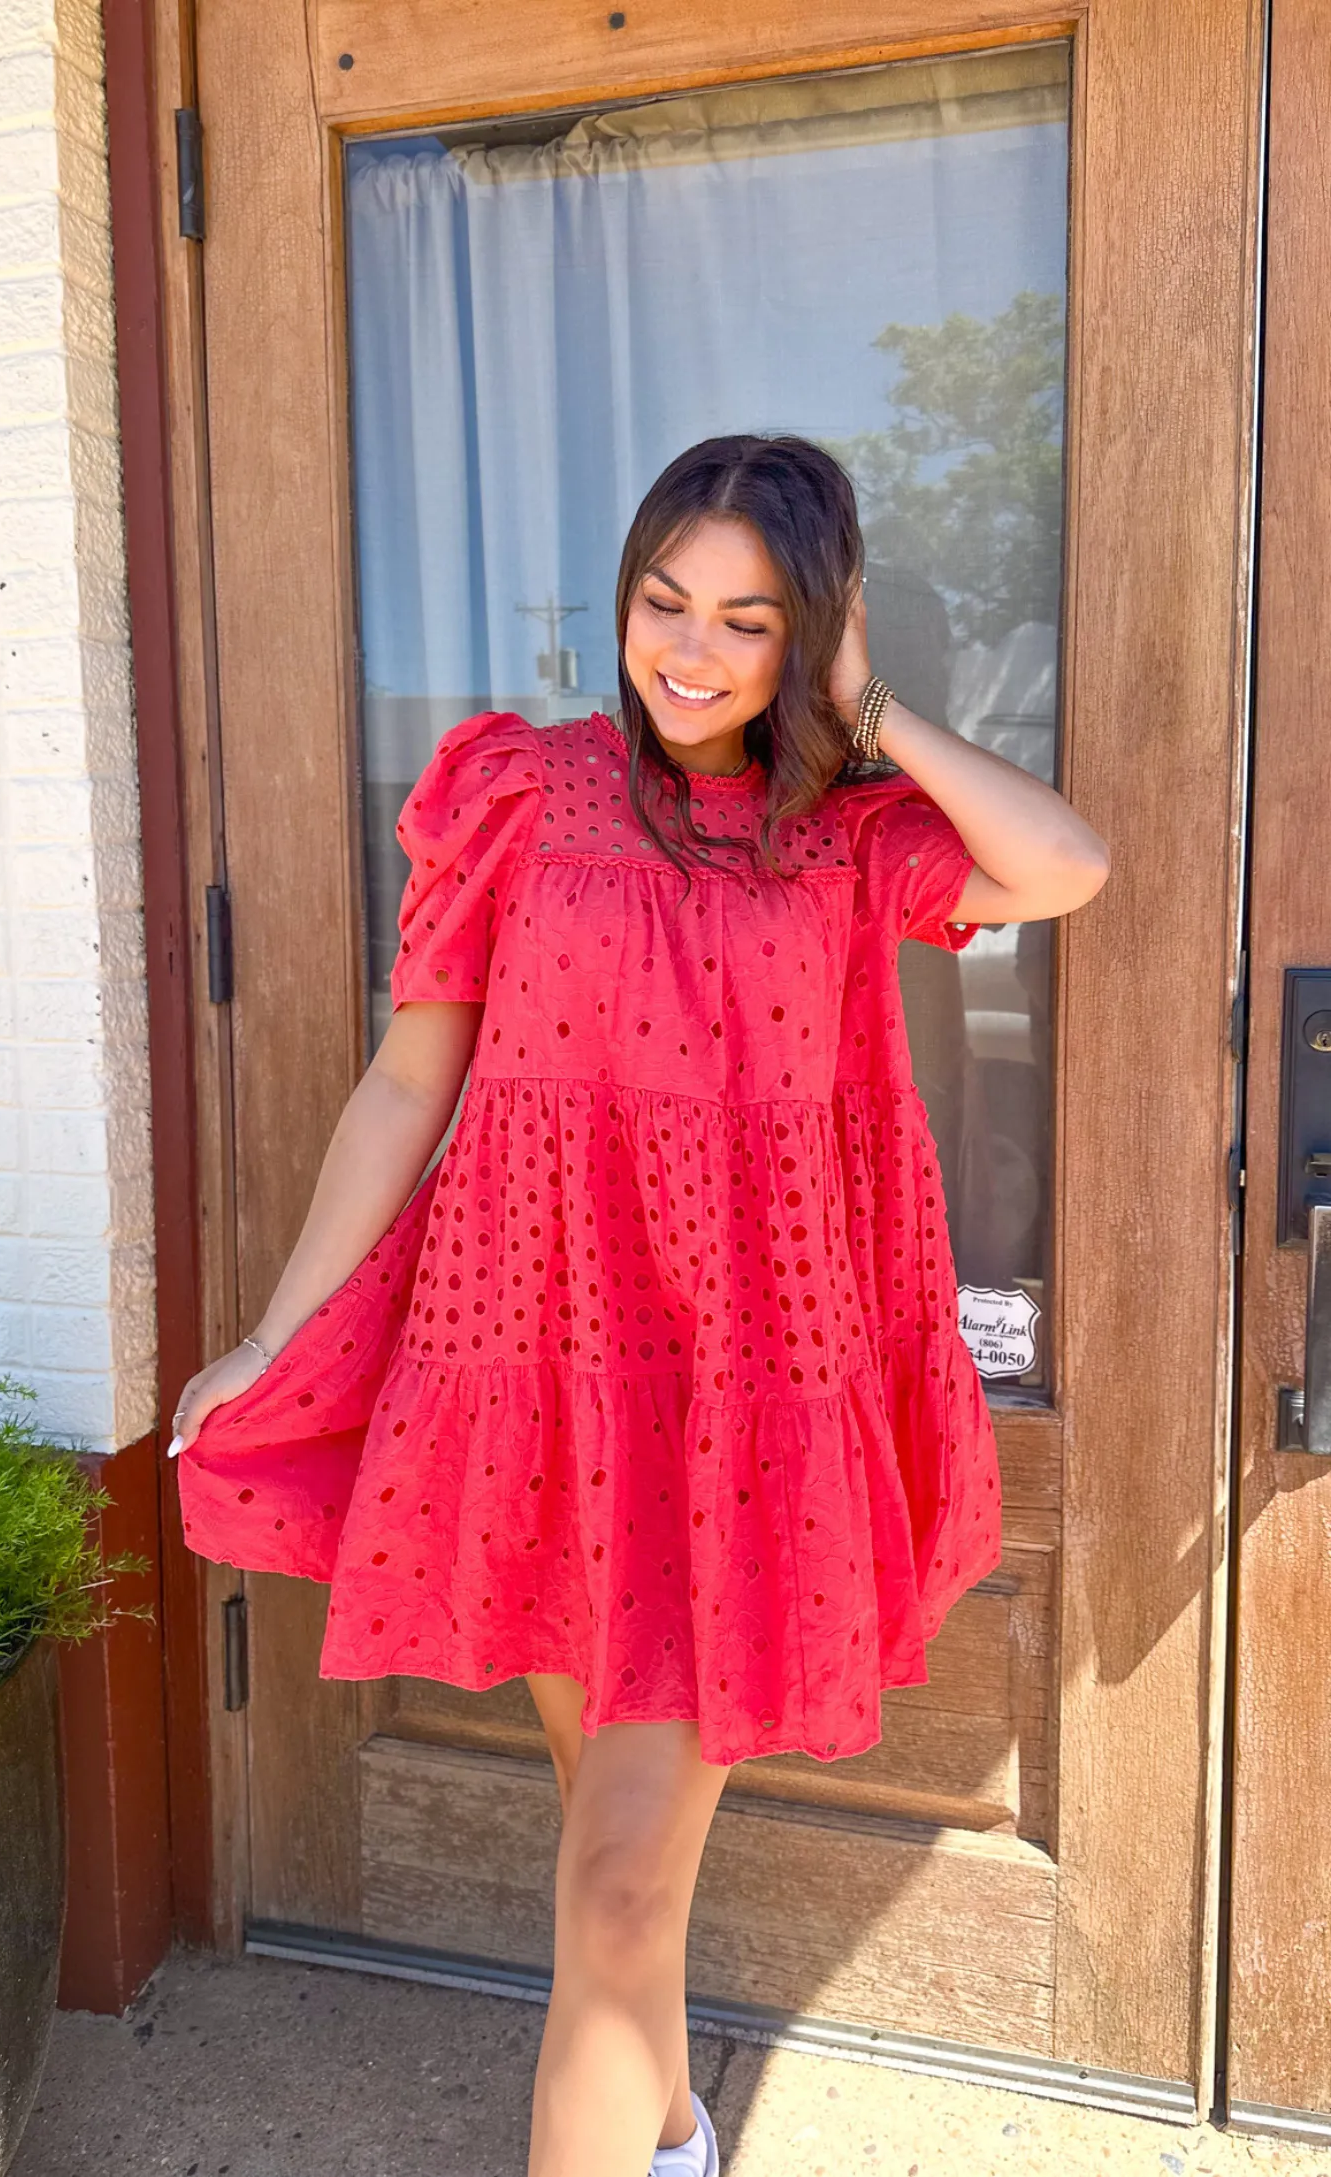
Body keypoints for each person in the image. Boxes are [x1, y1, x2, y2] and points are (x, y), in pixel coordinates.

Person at [169, 434, 1110, 2177]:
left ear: (809, 637)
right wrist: (277, 1335)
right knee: (614, 1869)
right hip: (526, 1369)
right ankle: (672, 2128)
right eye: (664, 600)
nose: (688, 649)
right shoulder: (518, 792)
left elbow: (1064, 865)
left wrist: (872, 706)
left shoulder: (846, 833)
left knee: (613, 1879)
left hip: (735, 1411)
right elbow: (407, 1084)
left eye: (750, 621)